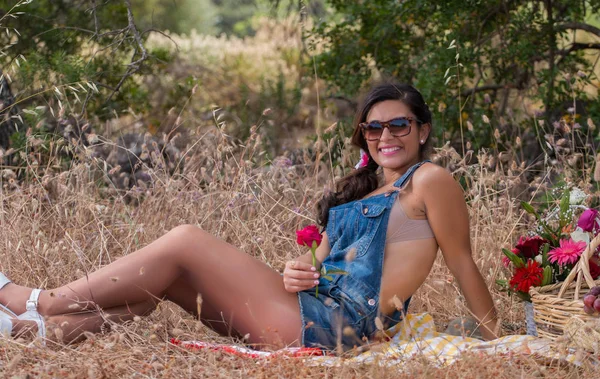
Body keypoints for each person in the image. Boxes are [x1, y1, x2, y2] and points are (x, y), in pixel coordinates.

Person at [0, 82, 498, 351]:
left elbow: (462, 263)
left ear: (423, 130)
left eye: (398, 125)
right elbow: (319, 271)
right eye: (373, 127)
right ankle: (23, 333)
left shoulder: (430, 181)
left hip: (341, 327)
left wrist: (499, 342)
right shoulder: (363, 189)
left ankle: (35, 301)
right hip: (311, 309)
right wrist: (298, 272)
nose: (385, 136)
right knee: (157, 289)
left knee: (186, 240)